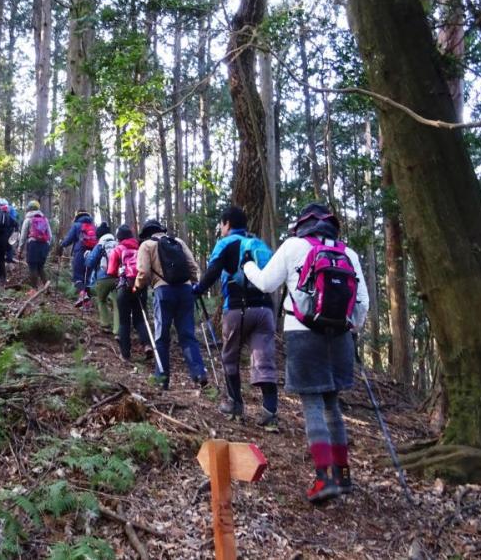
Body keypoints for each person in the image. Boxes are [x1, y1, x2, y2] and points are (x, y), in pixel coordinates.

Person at [242, 202, 368, 504]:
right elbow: (362, 302)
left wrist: (247, 266)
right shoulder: (347, 253)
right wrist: (351, 329)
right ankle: (343, 474)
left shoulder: (293, 246)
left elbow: (266, 283)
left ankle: (323, 477)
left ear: (303, 224)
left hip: (302, 332)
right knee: (332, 403)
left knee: (312, 403)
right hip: (340, 336)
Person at [193, 206, 278, 428]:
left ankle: (235, 404)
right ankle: (270, 413)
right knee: (264, 359)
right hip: (265, 310)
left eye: (221, 225)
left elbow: (213, 271)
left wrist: (198, 290)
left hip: (238, 309)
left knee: (230, 356)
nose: (220, 229)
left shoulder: (226, 243)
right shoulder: (259, 244)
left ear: (227, 223)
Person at [134, 219, 207, 389]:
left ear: (147, 234)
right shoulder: (178, 242)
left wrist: (137, 286)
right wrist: (194, 284)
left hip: (163, 291)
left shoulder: (146, 245)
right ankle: (198, 372)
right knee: (188, 334)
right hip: (186, 291)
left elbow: (143, 272)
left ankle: (162, 380)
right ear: (161, 231)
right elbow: (193, 267)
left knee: (161, 336)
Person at [107, 225, 152, 362]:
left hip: (124, 286)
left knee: (124, 321)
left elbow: (110, 271)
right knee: (139, 318)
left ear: (119, 237)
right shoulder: (140, 249)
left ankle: (125, 354)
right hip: (140, 286)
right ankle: (147, 345)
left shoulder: (118, 249)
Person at [85, 226, 119, 335]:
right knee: (117, 303)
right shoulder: (117, 244)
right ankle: (117, 330)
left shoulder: (100, 245)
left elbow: (90, 263)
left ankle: (105, 325)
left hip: (103, 278)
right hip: (118, 278)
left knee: (102, 300)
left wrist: (87, 256)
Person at [59, 211, 98, 302]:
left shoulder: (76, 225)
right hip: (92, 254)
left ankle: (83, 295)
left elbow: (69, 239)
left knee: (77, 277)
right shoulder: (94, 227)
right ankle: (87, 304)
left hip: (80, 253)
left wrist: (62, 244)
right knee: (87, 279)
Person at [17, 200, 52, 288]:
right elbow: (50, 236)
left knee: (33, 266)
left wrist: (20, 250)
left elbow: (23, 236)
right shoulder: (44, 219)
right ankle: (47, 287)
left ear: (29, 208)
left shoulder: (28, 219)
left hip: (33, 245)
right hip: (44, 245)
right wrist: (47, 247)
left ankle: (34, 289)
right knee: (40, 267)